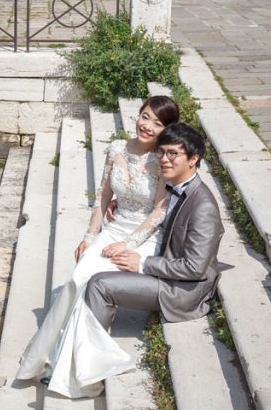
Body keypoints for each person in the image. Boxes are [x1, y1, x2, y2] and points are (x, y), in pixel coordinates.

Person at [16, 97, 181, 397]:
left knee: (93, 282)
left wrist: (127, 245)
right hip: (113, 228)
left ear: (167, 129)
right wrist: (89, 238)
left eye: (157, 123)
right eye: (145, 117)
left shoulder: (163, 159)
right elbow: (102, 199)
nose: (147, 125)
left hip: (144, 236)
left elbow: (159, 210)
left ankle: (77, 372)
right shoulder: (117, 148)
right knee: (79, 277)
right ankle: (44, 359)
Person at [81, 123, 223, 386]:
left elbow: (195, 268)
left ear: (193, 160)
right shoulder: (175, 186)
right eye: (162, 153)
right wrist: (116, 203)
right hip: (166, 267)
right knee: (88, 271)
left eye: (173, 154)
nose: (164, 160)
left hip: (182, 289)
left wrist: (143, 263)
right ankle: (79, 353)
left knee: (99, 284)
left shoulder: (203, 206)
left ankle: (92, 372)